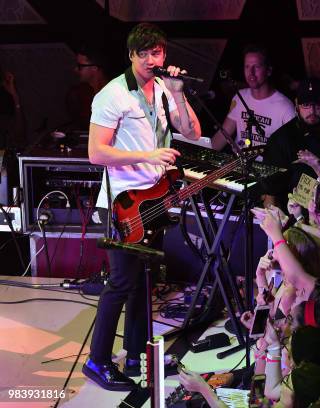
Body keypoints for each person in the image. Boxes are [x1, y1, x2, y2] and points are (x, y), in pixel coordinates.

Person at [83, 22, 201, 391]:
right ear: (132, 55)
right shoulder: (112, 95)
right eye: (145, 53)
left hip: (155, 198)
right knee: (120, 283)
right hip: (123, 202)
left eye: (158, 52)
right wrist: (148, 154)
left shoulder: (166, 88)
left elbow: (193, 132)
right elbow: (95, 153)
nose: (153, 59)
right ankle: (97, 362)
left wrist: (180, 94)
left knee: (143, 282)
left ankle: (135, 354)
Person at [262, 78, 320, 206]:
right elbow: (271, 193)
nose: (312, 111)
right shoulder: (281, 138)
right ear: (296, 104)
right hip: (294, 212)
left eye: (317, 105)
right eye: (306, 105)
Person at [211, 44, 295, 150]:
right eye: (247, 66)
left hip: (267, 165)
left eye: (256, 67)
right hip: (239, 162)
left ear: (268, 71)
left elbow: (293, 147)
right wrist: (203, 155)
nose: (251, 72)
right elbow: (224, 134)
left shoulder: (285, 106)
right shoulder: (239, 97)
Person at [66, 47, 110, 130]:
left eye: (80, 66)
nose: (75, 69)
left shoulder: (117, 94)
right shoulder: (77, 95)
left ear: (94, 68)